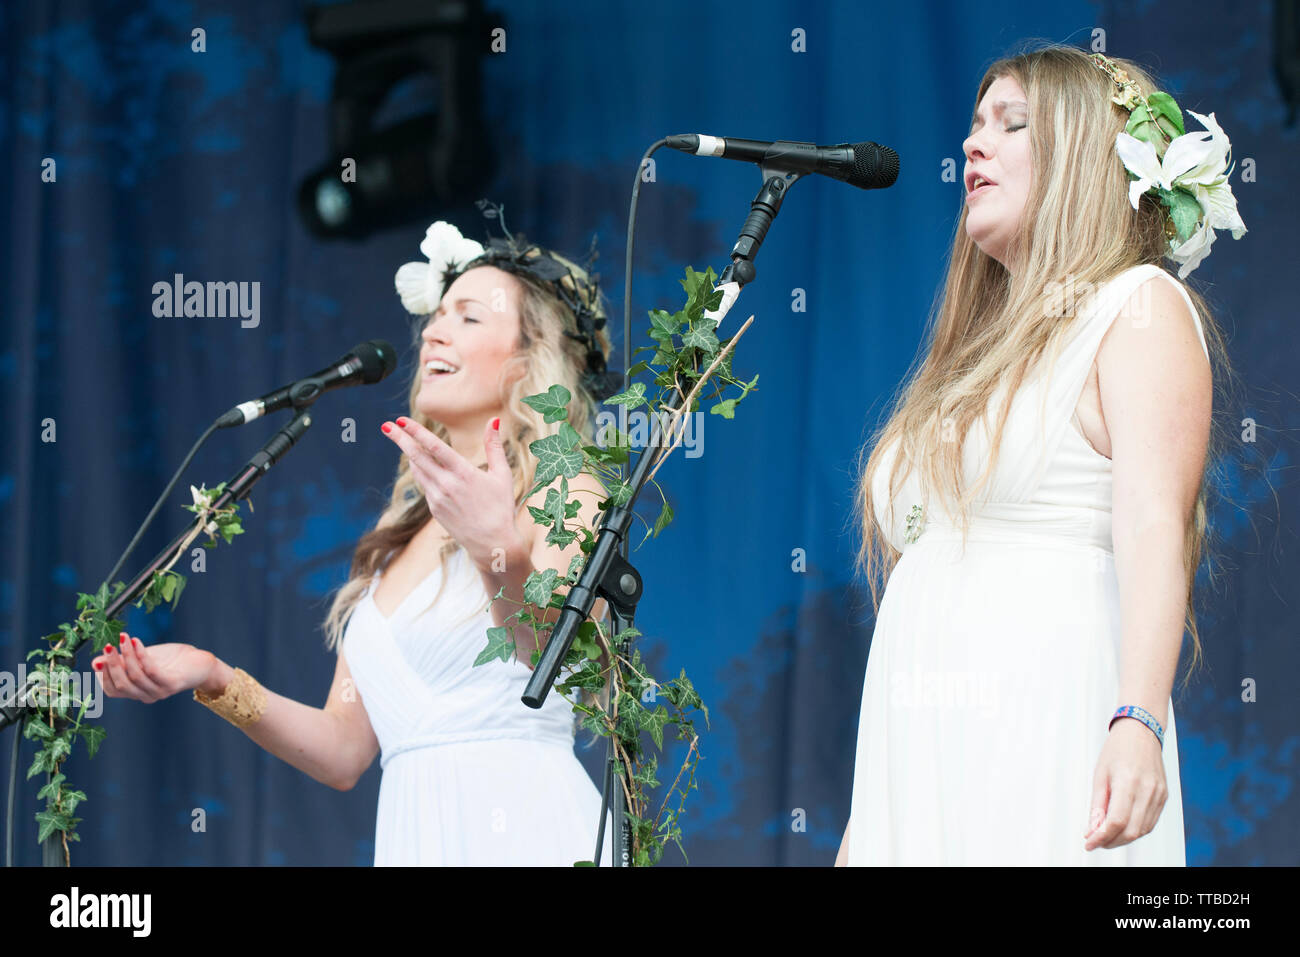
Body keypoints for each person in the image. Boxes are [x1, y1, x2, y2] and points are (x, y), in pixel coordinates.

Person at [93, 211, 624, 866]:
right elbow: (344, 749)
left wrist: (496, 549)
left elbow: (552, 655)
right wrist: (211, 673)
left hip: (528, 830)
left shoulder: (566, 495)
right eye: (437, 315)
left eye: (468, 316)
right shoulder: (392, 537)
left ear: (525, 362)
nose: (433, 330)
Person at [837, 44, 1245, 865]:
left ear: (1088, 159)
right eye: (973, 125)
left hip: (1044, 720)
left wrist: (1138, 720)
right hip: (919, 761)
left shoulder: (1137, 306)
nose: (972, 146)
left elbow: (1154, 524)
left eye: (1011, 124)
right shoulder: (969, 359)